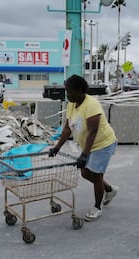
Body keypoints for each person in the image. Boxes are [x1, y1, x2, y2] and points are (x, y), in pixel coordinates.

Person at [49, 74, 118, 221]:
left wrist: (84, 155)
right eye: (66, 91)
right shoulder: (71, 105)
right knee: (85, 173)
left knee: (96, 174)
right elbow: (67, 128)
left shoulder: (91, 105)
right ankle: (109, 189)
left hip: (103, 143)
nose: (67, 95)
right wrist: (57, 147)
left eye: (70, 91)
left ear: (80, 90)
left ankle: (97, 208)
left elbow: (93, 131)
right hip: (89, 144)